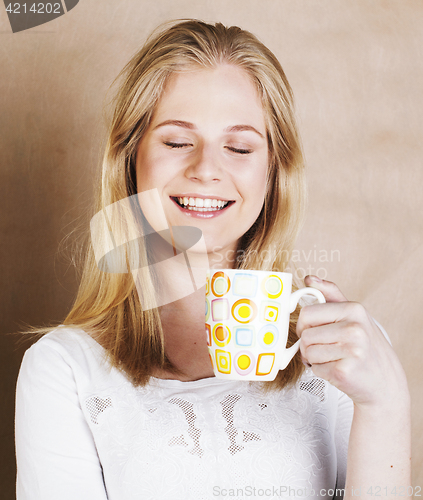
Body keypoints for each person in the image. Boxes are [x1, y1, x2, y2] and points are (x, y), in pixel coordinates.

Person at [15, 19, 411, 499]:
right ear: (130, 160)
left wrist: (386, 405)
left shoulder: (352, 356)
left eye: (239, 147)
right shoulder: (64, 371)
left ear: (273, 174)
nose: (206, 169)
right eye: (178, 141)